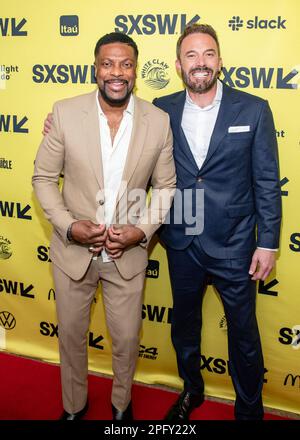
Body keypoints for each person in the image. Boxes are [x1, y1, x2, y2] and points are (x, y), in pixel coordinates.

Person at [32, 32, 176, 421]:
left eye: (126, 64)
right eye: (108, 64)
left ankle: (121, 405)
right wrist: (68, 226)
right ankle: (74, 406)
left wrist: (141, 232)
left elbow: (165, 187)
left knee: (128, 340)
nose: (117, 73)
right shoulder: (64, 112)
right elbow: (44, 178)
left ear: (135, 70)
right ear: (95, 68)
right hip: (73, 252)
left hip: (126, 255)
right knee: (71, 337)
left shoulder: (158, 121)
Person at [153, 23, 281, 421]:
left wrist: (269, 243)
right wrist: (64, 129)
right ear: (179, 65)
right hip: (182, 240)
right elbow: (125, 140)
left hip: (236, 243)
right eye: (191, 55)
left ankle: (249, 410)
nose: (201, 62)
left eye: (208, 54)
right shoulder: (161, 108)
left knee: (244, 336)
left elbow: (266, 180)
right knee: (184, 329)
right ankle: (193, 391)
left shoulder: (253, 108)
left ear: (220, 61)